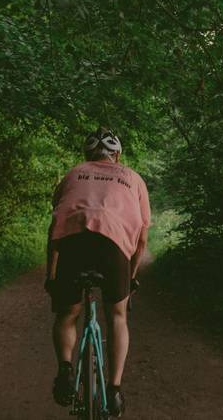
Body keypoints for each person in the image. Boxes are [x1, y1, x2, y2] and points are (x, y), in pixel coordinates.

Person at [44, 127, 151, 417]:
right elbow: (142, 238)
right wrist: (130, 277)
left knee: (67, 314)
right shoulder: (133, 178)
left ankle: (65, 371)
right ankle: (114, 391)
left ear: (87, 154)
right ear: (117, 155)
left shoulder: (73, 174)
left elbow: (54, 226)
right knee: (117, 316)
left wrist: (51, 275)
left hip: (73, 242)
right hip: (113, 246)